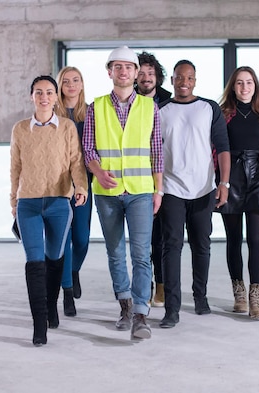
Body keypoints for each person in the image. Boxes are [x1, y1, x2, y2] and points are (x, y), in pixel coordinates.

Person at [82, 46, 163, 340]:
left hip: (141, 190)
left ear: (136, 72)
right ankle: (125, 306)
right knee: (116, 253)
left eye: (128, 67)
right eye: (118, 67)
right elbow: (88, 147)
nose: (124, 71)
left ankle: (141, 314)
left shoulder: (148, 107)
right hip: (107, 192)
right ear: (110, 72)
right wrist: (97, 171)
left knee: (141, 254)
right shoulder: (96, 107)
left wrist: (159, 189)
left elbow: (156, 150)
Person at [10, 75, 88, 346]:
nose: (44, 97)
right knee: (34, 263)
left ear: (56, 97)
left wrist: (81, 187)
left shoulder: (67, 127)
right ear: (31, 96)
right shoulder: (20, 129)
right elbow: (15, 168)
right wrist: (13, 202)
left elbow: (77, 161)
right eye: (39, 92)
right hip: (28, 203)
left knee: (55, 258)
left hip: (58, 203)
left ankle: (53, 305)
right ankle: (39, 324)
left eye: (49, 93)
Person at [158, 60, 231, 328]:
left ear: (195, 80)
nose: (184, 82)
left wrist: (224, 183)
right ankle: (172, 309)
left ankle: (200, 297)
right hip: (171, 189)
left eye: (189, 77)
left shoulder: (209, 108)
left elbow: (223, 147)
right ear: (173, 80)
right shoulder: (161, 110)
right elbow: (153, 151)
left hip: (203, 188)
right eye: (179, 77)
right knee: (171, 246)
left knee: (202, 245)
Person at [217, 66, 259, 319]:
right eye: (240, 83)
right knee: (233, 239)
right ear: (233, 87)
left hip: (258, 178)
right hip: (231, 176)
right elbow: (217, 149)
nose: (245, 88)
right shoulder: (222, 114)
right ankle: (239, 294)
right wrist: (220, 182)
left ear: (255, 87)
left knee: (255, 239)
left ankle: (256, 298)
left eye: (249, 83)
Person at [134, 51, 172, 308]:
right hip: (137, 175)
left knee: (162, 235)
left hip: (167, 175)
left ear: (158, 76)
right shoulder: (128, 100)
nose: (146, 77)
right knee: (141, 237)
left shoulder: (170, 101)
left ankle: (161, 284)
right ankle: (144, 285)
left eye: (151, 73)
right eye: (142, 73)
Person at [54, 66, 92, 317]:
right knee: (64, 240)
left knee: (81, 240)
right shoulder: (52, 113)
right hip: (58, 183)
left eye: (76, 80)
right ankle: (67, 292)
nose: (71, 85)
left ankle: (73, 271)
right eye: (66, 81)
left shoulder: (91, 113)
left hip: (85, 183)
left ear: (81, 84)